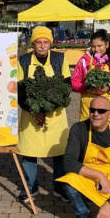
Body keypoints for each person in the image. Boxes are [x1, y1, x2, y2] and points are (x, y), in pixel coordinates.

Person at [17, 25, 71, 202]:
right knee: (29, 152)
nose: (41, 45)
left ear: (50, 43)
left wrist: (51, 105)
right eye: (38, 42)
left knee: (59, 152)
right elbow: (20, 90)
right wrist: (34, 110)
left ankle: (60, 187)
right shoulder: (23, 61)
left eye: (45, 42)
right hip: (31, 116)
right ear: (33, 44)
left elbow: (66, 85)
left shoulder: (59, 59)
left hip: (55, 116)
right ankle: (30, 188)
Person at [71, 29, 110, 126]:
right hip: (88, 107)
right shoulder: (83, 61)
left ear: (107, 44)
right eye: (93, 46)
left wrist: (109, 87)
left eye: (99, 46)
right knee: (88, 136)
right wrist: (86, 87)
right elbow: (73, 83)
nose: (96, 49)